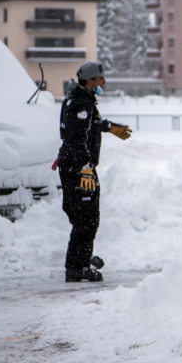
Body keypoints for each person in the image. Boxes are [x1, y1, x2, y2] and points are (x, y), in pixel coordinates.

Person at [57, 61, 131, 282]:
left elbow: (88, 126)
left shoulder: (77, 100)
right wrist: (86, 168)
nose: (104, 82)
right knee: (86, 220)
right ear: (90, 81)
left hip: (73, 167)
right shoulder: (81, 104)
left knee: (83, 217)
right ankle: (76, 268)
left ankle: (82, 257)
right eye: (100, 78)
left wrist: (109, 127)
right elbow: (76, 140)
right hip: (79, 170)